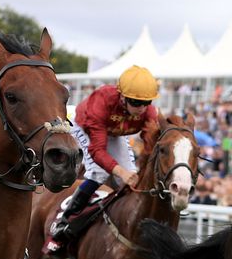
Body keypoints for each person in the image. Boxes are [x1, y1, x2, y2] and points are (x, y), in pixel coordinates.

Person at [50, 65, 159, 242]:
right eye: (136, 102)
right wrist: (120, 172)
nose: (141, 109)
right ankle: (66, 219)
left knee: (130, 175)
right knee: (99, 172)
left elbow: (151, 148)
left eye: (147, 103)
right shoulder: (102, 101)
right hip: (85, 126)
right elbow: (97, 150)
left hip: (114, 132)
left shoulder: (149, 113)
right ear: (122, 97)